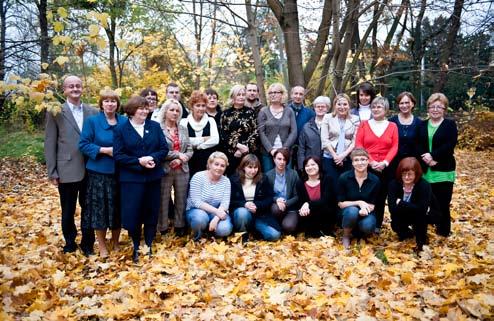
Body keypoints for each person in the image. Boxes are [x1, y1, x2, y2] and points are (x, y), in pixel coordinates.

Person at [44, 75, 98, 255]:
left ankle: (88, 243)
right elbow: (50, 142)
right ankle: (69, 242)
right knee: (68, 209)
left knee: (89, 208)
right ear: (64, 90)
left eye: (78, 86)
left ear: (82, 88)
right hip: (66, 168)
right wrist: (52, 171)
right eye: (71, 86)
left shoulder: (92, 111)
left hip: (91, 168)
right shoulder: (56, 111)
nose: (75, 89)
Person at [113, 96, 168, 262]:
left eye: (146, 108)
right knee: (133, 213)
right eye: (141, 108)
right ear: (131, 111)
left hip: (152, 177)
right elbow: (118, 155)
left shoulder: (155, 126)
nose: (144, 111)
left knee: (151, 211)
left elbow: (163, 148)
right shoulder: (121, 129)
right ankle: (136, 245)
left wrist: (152, 158)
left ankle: (148, 245)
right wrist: (138, 161)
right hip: (131, 179)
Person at [79, 89, 126, 257]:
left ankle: (115, 241)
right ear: (101, 104)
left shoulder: (124, 121)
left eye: (113, 101)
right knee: (100, 211)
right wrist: (104, 150)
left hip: (121, 173)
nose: (110, 104)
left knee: (117, 209)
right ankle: (102, 245)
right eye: (106, 101)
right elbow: (83, 144)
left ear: (117, 104)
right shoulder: (92, 122)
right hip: (98, 174)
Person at [417, 93, 458, 237]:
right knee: (427, 201)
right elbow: (417, 144)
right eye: (432, 106)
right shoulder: (421, 125)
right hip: (425, 169)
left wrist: (433, 156)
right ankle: (425, 227)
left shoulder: (450, 125)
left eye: (439, 107)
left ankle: (443, 231)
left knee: (443, 202)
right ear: (428, 108)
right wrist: (426, 158)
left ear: (444, 109)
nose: (435, 109)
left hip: (443, 168)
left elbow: (450, 144)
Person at [355, 96, 398, 232]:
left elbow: (395, 146)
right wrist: (371, 162)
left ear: (385, 109)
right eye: (373, 106)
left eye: (379, 106)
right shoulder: (364, 124)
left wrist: (385, 162)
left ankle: (377, 225)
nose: (375, 109)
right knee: (366, 194)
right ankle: (362, 223)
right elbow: (359, 144)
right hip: (367, 166)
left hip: (386, 167)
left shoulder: (392, 126)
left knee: (381, 195)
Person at [157, 99, 193, 237]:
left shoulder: (183, 128)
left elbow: (189, 149)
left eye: (177, 111)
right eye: (171, 110)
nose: (175, 113)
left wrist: (180, 159)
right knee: (163, 199)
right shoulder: (158, 128)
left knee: (181, 198)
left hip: (182, 169)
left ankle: (180, 226)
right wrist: (177, 154)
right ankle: (163, 227)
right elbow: (159, 149)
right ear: (165, 111)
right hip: (165, 169)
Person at [337, 148, 380, 249]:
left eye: (363, 159)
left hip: (366, 212)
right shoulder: (344, 178)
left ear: (368, 161)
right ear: (352, 163)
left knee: (368, 225)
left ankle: (360, 235)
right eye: (356, 160)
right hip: (347, 213)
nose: (360, 162)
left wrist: (365, 209)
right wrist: (359, 203)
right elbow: (341, 204)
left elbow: (373, 205)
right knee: (352, 211)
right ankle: (346, 235)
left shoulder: (375, 180)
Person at [388, 157, 433, 251]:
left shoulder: (424, 185)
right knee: (395, 224)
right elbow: (392, 209)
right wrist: (413, 207)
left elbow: (422, 209)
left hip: (420, 217)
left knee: (421, 219)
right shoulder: (394, 184)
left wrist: (401, 203)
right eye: (404, 174)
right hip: (401, 215)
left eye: (410, 174)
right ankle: (407, 233)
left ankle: (421, 241)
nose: (406, 177)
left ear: (416, 174)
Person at [229, 154, 277, 241]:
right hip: (240, 214)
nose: (253, 170)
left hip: (258, 214)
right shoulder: (234, 179)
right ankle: (242, 235)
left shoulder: (263, 178)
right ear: (243, 167)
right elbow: (230, 201)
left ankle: (254, 231)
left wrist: (256, 205)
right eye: (250, 167)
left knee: (274, 235)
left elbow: (270, 198)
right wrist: (245, 204)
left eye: (256, 167)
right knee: (242, 212)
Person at [186, 152, 233, 240]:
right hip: (196, 210)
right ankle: (198, 236)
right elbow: (196, 202)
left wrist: (216, 218)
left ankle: (211, 232)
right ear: (209, 164)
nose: (219, 168)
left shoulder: (226, 181)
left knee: (225, 229)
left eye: (222, 166)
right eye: (216, 164)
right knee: (200, 219)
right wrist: (217, 212)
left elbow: (225, 203)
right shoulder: (198, 177)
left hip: (215, 213)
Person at [320, 93, 360, 190]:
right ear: (334, 105)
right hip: (330, 157)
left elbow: (355, 141)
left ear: (349, 105)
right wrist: (335, 156)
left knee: (346, 186)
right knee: (331, 186)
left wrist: (343, 156)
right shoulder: (327, 117)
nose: (342, 107)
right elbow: (324, 139)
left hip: (347, 158)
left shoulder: (355, 119)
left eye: (345, 104)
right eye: (339, 104)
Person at [258, 83, 297, 172]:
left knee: (286, 177)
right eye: (270, 93)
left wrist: (285, 148)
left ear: (282, 94)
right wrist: (270, 150)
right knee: (269, 178)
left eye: (276, 92)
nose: (273, 94)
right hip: (268, 153)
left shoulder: (289, 111)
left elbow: (294, 131)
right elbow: (261, 132)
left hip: (285, 152)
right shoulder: (263, 111)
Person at [220, 85, 259, 175]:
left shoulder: (250, 112)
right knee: (233, 180)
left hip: (248, 153)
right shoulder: (225, 113)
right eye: (238, 94)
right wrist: (238, 147)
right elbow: (223, 134)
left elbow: (255, 133)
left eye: (243, 94)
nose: (241, 97)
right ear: (233, 96)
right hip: (231, 154)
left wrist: (244, 147)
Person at [179, 90, 220, 177]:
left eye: (203, 106)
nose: (201, 108)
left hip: (208, 161)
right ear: (192, 107)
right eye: (198, 105)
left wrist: (199, 146)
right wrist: (204, 139)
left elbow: (215, 140)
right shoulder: (184, 122)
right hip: (189, 161)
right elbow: (184, 142)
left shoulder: (211, 121)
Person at [296, 156, 337, 237]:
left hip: (326, 213)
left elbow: (326, 200)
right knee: (303, 211)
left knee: (325, 207)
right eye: (307, 166)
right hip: (310, 215)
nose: (310, 167)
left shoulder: (327, 179)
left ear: (319, 165)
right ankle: (312, 230)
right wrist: (304, 207)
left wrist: (308, 204)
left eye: (313, 164)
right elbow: (301, 202)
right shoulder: (300, 183)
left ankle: (325, 230)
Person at [265, 148, 300, 234]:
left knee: (289, 226)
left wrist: (286, 203)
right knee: (276, 209)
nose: (282, 162)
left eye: (284, 159)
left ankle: (284, 225)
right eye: (279, 159)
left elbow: (298, 195)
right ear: (274, 159)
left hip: (290, 207)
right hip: (276, 207)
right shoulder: (268, 175)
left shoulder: (293, 174)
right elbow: (266, 195)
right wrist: (276, 200)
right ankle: (277, 225)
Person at [388, 92, 422, 174]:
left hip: (413, 164)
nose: (404, 105)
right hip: (394, 163)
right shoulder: (391, 122)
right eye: (401, 103)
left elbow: (421, 144)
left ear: (413, 104)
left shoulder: (420, 123)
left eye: (407, 102)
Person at [297, 96, 329, 172]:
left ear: (327, 109)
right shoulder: (307, 127)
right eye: (318, 106)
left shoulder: (333, 125)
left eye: (323, 107)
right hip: (311, 164)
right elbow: (301, 148)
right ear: (314, 108)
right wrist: (302, 166)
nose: (320, 108)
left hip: (329, 164)